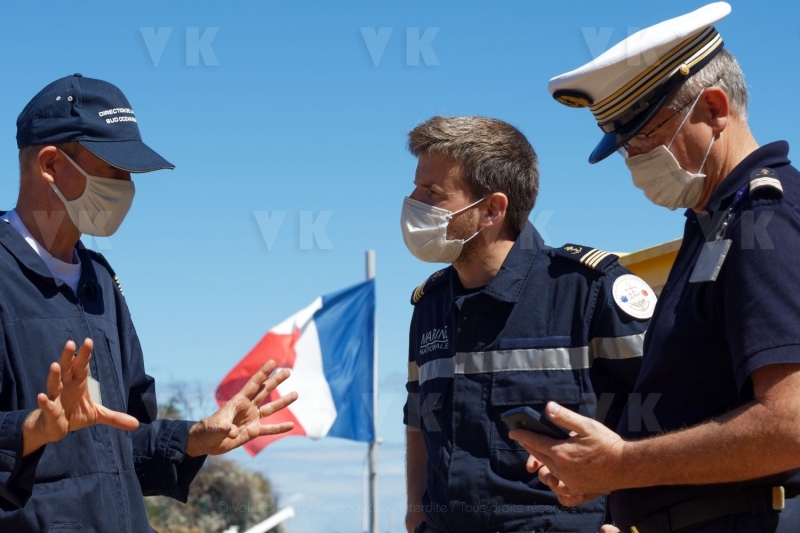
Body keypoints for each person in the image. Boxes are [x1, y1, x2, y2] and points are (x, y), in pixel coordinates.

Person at [510, 3, 800, 532]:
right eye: (625, 148)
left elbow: (789, 424)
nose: (636, 160)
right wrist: (601, 462)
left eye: (645, 137)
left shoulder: (765, 221)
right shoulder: (714, 223)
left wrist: (620, 464)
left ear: (715, 108)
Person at [0, 74, 298, 531]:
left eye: (131, 175)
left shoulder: (101, 278)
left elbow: (126, 440)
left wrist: (196, 438)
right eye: (113, 170)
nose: (127, 188)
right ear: (50, 164)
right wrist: (32, 431)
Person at [401, 116, 651, 533]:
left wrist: (639, 523)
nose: (413, 201)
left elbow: (666, 410)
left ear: (492, 210)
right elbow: (417, 423)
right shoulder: (428, 306)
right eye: (415, 187)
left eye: (432, 192)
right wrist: (416, 515)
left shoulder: (589, 291)